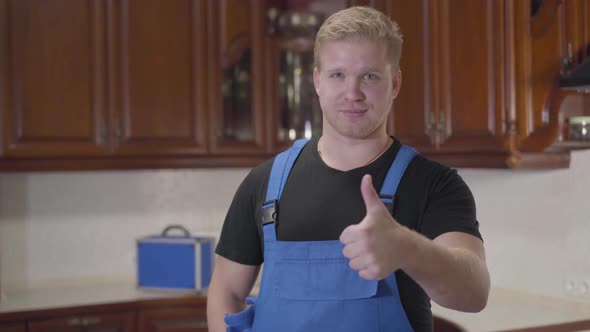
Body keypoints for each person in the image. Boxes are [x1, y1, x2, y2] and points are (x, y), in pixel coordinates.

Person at [207, 6, 490, 332]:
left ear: (395, 84)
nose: (352, 93)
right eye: (338, 75)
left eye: (369, 76)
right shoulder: (265, 183)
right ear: (317, 81)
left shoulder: (435, 185)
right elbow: (225, 291)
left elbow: (474, 293)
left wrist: (407, 248)